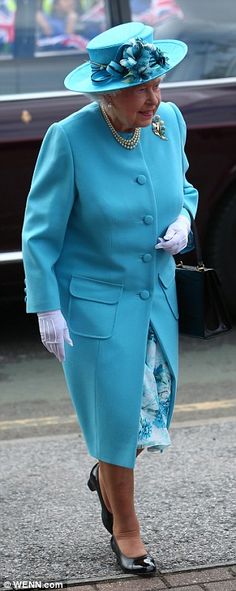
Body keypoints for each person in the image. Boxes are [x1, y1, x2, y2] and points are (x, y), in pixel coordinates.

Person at [22, 21, 198, 576]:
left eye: (158, 83)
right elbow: (40, 231)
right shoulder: (69, 138)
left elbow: (185, 186)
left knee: (147, 414)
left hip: (156, 301)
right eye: (139, 88)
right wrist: (46, 305)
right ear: (106, 93)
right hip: (94, 305)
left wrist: (184, 219)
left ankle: (106, 475)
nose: (153, 98)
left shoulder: (169, 121)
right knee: (118, 420)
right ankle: (127, 527)